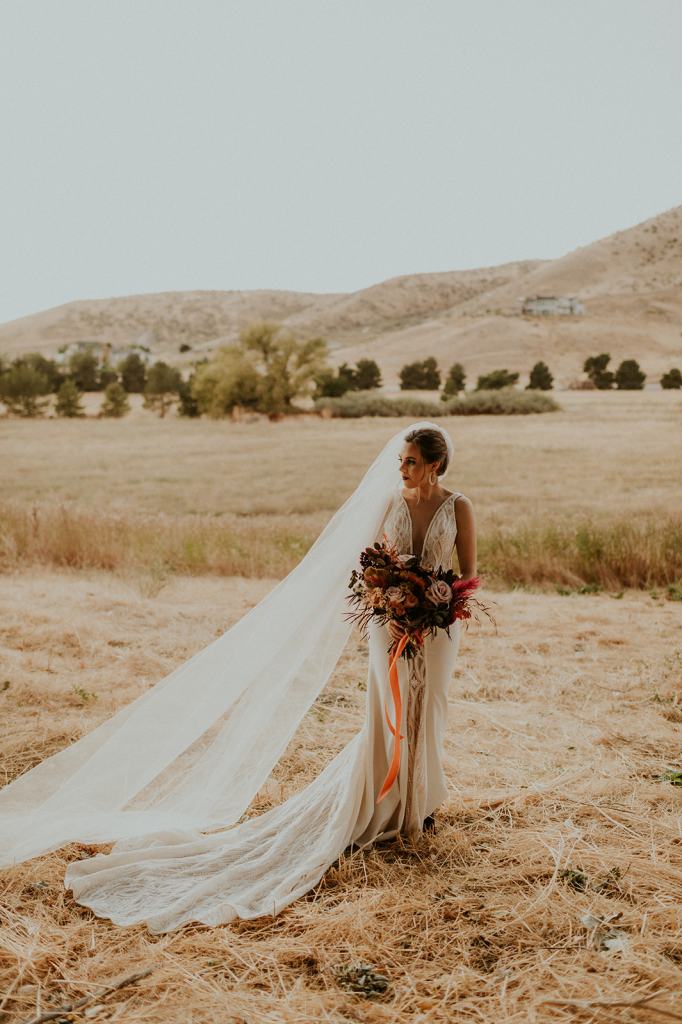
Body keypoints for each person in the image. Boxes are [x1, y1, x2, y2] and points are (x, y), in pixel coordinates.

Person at [0, 420, 476, 932]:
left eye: (410, 462)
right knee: (389, 711)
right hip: (388, 623)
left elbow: (469, 572)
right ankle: (386, 804)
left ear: (434, 465)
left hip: (440, 626)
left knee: (434, 710)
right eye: (399, 460)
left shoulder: (460, 506)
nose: (401, 469)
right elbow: (369, 565)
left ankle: (421, 802)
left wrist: (441, 605)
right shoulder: (389, 503)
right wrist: (388, 595)